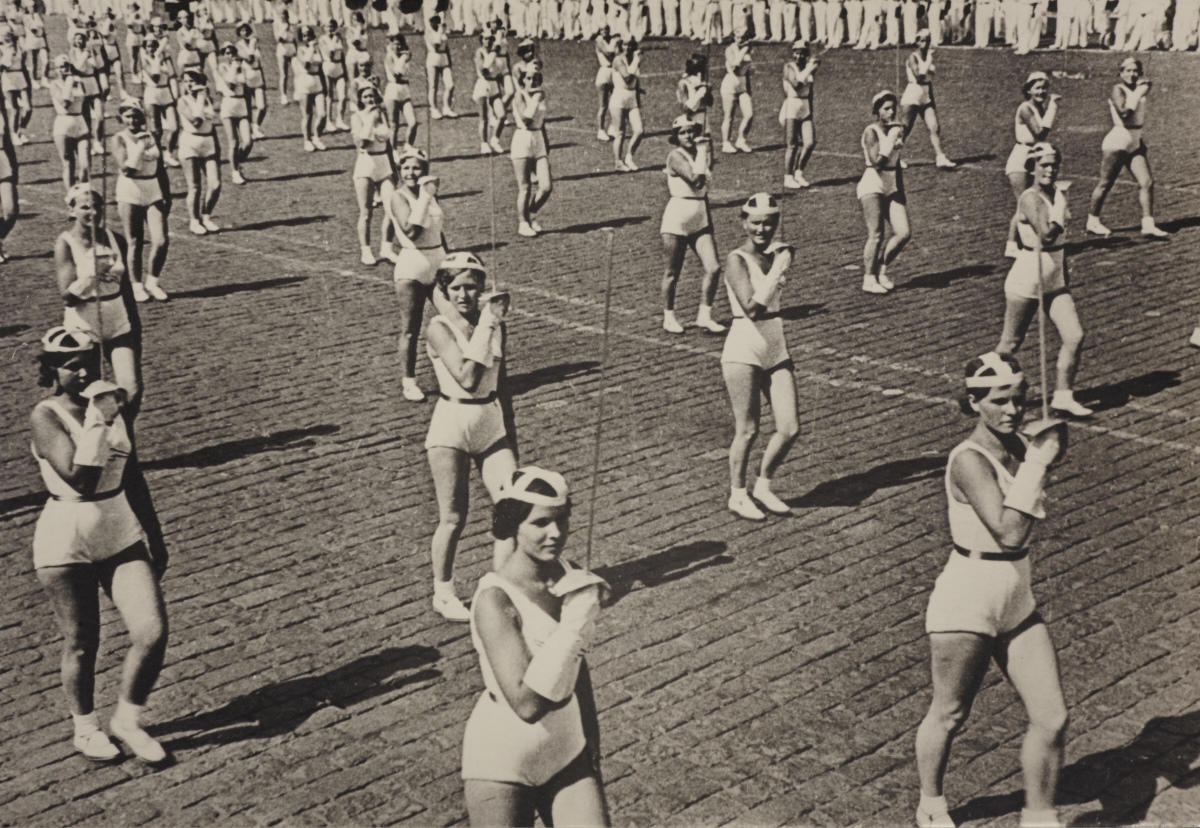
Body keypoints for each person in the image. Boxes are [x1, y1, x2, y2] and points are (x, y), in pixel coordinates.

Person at [915, 351, 1069, 828]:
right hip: (968, 600)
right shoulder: (967, 460)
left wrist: (1041, 454)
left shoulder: (1020, 447)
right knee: (951, 713)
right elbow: (1009, 531)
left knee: (1052, 718)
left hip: (1017, 600)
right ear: (973, 402)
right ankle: (931, 805)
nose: (1013, 410)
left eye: (1020, 400)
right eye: (1000, 401)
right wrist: (1041, 463)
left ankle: (1039, 818)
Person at [29, 326, 169, 765]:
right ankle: (84, 728)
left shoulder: (110, 405)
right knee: (82, 640)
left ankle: (127, 718)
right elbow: (81, 479)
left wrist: (155, 534)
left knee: (152, 631)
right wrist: (100, 416)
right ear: (52, 370)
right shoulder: (46, 415)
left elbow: (133, 474)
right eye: (72, 365)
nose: (85, 369)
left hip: (119, 530)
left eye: (91, 360)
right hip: (66, 538)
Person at [463, 466, 611, 827]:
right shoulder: (495, 600)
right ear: (514, 524)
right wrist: (575, 624)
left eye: (562, 520)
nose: (555, 533)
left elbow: (577, 668)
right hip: (503, 759)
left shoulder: (568, 572)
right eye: (541, 523)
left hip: (567, 751)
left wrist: (590, 739)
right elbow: (527, 704)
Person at [424, 252, 517, 620]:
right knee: (453, 517)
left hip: (490, 423)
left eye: (472, 288)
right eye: (456, 288)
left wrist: (510, 434)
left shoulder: (494, 325)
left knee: (512, 508)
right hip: (452, 423)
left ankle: (502, 587)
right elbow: (467, 378)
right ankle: (442, 592)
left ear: (482, 290)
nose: (464, 295)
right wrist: (488, 325)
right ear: (445, 291)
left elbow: (500, 383)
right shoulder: (438, 328)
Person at [996, 143, 1092, 419]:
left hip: (1054, 276)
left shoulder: (1054, 193)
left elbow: (1058, 245)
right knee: (1010, 344)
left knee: (1075, 336)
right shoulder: (1030, 198)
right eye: (1044, 165)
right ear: (1032, 167)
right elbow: (1047, 235)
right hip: (1027, 278)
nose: (1050, 170)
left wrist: (1064, 276)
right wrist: (1061, 209)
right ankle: (982, 386)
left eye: (1054, 164)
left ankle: (1063, 396)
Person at [721, 193, 800, 521]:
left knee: (789, 427)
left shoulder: (774, 254)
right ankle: (737, 495)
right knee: (748, 429)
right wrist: (779, 267)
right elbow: (752, 308)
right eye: (755, 223)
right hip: (744, 348)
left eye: (769, 223)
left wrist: (778, 262)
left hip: (775, 346)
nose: (762, 229)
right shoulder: (736, 259)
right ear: (744, 222)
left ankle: (763, 485)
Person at [54, 184, 142, 410]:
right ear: (72, 210)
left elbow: (126, 290)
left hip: (118, 321)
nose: (92, 213)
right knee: (91, 393)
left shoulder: (115, 239)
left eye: (97, 207)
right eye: (85, 207)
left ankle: (125, 442)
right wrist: (92, 274)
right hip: (84, 326)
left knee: (131, 391)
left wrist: (134, 324)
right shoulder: (65, 243)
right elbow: (67, 297)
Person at [388, 147, 448, 400]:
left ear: (425, 170)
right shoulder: (398, 196)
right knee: (411, 328)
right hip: (412, 264)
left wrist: (450, 260)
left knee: (455, 318)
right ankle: (409, 381)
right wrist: (425, 197)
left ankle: (454, 370)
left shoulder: (430, 193)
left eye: (416, 168)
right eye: (406, 168)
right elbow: (411, 231)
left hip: (438, 260)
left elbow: (437, 230)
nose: (411, 173)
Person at [1085, 58, 1168, 239]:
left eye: (1135, 71)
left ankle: (1148, 224)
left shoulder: (1136, 89)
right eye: (1128, 71)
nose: (1132, 74)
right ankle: (1092, 220)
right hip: (1118, 141)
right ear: (1121, 73)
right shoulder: (1118, 89)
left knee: (1146, 182)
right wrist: (1139, 91)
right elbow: (1124, 113)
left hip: (1135, 141)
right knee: (1106, 183)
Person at [660, 115, 724, 336]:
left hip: (699, 216)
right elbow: (696, 180)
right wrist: (705, 152)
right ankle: (669, 316)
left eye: (691, 131)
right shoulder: (675, 156)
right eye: (683, 132)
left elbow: (704, 189)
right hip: (677, 218)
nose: (689, 136)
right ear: (676, 137)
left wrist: (706, 150)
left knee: (714, 267)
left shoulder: (700, 153)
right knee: (673, 272)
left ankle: (704, 315)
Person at [112, 97, 170, 303]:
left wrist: (166, 194)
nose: (133, 121)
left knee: (161, 240)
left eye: (136, 116)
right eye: (128, 116)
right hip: (130, 191)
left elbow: (161, 168)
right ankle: (136, 285)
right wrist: (138, 147)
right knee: (135, 241)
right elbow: (126, 169)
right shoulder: (118, 138)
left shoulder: (152, 136)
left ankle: (152, 282)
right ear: (122, 118)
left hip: (153, 188)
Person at [857, 90, 910, 294]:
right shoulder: (871, 131)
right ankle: (868, 278)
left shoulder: (894, 131)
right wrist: (890, 141)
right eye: (886, 108)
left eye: (892, 108)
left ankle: (881, 269)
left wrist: (899, 190)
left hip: (891, 184)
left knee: (904, 232)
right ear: (877, 111)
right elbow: (876, 163)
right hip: (872, 184)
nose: (891, 112)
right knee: (876, 234)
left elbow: (895, 167)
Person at [1004, 71, 1059, 258]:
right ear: (1028, 89)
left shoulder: (1039, 108)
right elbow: (1040, 134)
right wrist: (1052, 107)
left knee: (1032, 200)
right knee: (1023, 203)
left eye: (1044, 88)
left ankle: (1024, 241)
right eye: (1037, 88)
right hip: (1020, 159)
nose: (1041, 92)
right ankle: (1011, 245)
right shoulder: (1026, 108)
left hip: (1033, 158)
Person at [351, 80, 396, 266]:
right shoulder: (357, 116)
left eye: (372, 96)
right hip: (366, 165)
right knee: (366, 212)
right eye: (365, 97)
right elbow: (361, 143)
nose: (370, 99)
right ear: (361, 99)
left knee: (392, 209)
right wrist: (370, 118)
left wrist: (394, 168)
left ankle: (387, 247)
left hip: (384, 163)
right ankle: (366, 250)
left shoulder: (382, 114)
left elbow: (389, 143)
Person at [898, 29, 955, 169]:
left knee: (934, 127)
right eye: (922, 40)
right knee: (905, 128)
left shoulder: (928, 58)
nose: (925, 43)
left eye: (927, 40)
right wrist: (929, 61)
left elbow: (928, 81)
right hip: (912, 95)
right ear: (917, 42)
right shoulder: (913, 57)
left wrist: (931, 100)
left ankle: (940, 157)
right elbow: (919, 76)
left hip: (925, 95)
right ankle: (894, 158)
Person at [177, 69, 222, 234]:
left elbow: (212, 123)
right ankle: (194, 221)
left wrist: (216, 146)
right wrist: (201, 98)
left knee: (215, 184)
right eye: (186, 81)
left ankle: (206, 216)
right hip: (190, 143)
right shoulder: (183, 101)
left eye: (192, 81)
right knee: (195, 186)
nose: (189, 84)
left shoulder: (208, 100)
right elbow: (195, 121)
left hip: (208, 142)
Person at [510, 61, 552, 238]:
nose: (532, 81)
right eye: (528, 78)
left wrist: (546, 143)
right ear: (523, 80)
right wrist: (535, 99)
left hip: (538, 140)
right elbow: (526, 119)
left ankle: (531, 212)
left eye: (536, 78)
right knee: (525, 187)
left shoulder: (540, 95)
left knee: (546, 187)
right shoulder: (519, 96)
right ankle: (523, 222)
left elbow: (542, 122)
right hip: (523, 140)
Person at [50, 55, 91, 189]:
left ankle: (84, 192)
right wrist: (68, 83)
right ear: (56, 69)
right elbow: (65, 103)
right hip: (63, 125)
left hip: (80, 122)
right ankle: (71, 196)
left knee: (85, 164)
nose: (64, 69)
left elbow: (85, 105)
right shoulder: (54, 84)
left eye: (66, 65)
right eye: (61, 67)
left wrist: (88, 125)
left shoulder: (78, 81)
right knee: (68, 163)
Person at [780, 40, 817, 188]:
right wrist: (810, 68)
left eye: (802, 53)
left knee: (810, 142)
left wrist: (811, 110)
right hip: (792, 106)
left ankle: (799, 172)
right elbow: (796, 85)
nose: (799, 56)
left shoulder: (808, 68)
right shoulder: (789, 67)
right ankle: (788, 177)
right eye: (796, 52)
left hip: (805, 105)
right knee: (792, 145)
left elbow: (810, 91)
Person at [139, 36, 179, 168]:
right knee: (156, 130)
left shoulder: (166, 58)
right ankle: (159, 157)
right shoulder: (144, 60)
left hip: (166, 93)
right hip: (152, 94)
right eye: (149, 46)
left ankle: (168, 153)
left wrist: (175, 94)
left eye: (154, 45)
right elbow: (155, 77)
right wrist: (157, 58)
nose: (152, 48)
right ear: (145, 48)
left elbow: (173, 75)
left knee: (174, 128)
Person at [215, 43, 252, 185]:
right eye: (227, 53)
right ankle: (235, 171)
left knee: (248, 142)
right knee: (234, 142)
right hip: (228, 105)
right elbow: (230, 84)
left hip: (241, 104)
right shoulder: (223, 67)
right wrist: (235, 67)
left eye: (232, 52)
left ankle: (237, 162)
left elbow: (246, 88)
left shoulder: (243, 68)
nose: (230, 55)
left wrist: (249, 111)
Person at [608, 36, 642, 171]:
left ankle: (629, 157)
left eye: (630, 45)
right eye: (625, 45)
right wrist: (637, 60)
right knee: (620, 132)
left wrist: (638, 100)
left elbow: (636, 82)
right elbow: (627, 78)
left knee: (639, 130)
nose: (628, 48)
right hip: (619, 98)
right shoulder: (618, 60)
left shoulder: (633, 60)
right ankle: (618, 162)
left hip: (632, 97)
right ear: (622, 46)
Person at [720, 29, 754, 154]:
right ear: (734, 37)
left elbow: (747, 71)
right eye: (739, 37)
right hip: (730, 85)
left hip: (742, 84)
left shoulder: (747, 49)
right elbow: (735, 65)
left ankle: (741, 140)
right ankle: (726, 143)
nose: (742, 40)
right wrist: (744, 50)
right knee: (729, 116)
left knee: (749, 114)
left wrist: (748, 88)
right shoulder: (730, 49)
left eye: (744, 37)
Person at [473, 29, 505, 154]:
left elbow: (498, 71)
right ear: (481, 40)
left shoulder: (495, 54)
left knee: (502, 115)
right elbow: (483, 71)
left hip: (494, 85)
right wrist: (492, 55)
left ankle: (495, 140)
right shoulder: (479, 53)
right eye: (485, 39)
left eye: (490, 39)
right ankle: (484, 144)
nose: (488, 41)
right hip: (483, 85)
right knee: (484, 117)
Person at [383, 33, 417, 149]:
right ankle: (393, 153)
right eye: (394, 44)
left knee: (413, 122)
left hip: (405, 91)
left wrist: (404, 56)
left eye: (399, 44)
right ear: (390, 45)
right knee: (394, 126)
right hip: (392, 91)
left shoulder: (404, 57)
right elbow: (396, 74)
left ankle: (408, 147)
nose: (397, 47)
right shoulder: (389, 57)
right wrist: (403, 57)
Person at [236, 23, 268, 140]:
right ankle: (250, 131)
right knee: (248, 107)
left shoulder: (255, 45)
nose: (245, 33)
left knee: (262, 106)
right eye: (242, 31)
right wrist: (253, 44)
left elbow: (258, 62)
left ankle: (256, 127)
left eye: (246, 31)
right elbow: (250, 59)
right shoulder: (238, 46)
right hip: (247, 76)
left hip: (258, 75)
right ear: (239, 33)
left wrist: (263, 79)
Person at [0, 29, 32, 145]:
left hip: (20, 77)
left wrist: (28, 81)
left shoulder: (20, 49)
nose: (6, 39)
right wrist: (7, 56)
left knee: (28, 108)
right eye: (4, 37)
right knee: (15, 109)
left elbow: (23, 65)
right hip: (8, 78)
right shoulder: (2, 50)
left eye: (8, 36)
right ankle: (14, 135)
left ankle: (21, 131)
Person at [320, 18, 349, 132]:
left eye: (332, 27)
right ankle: (328, 121)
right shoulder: (322, 39)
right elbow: (330, 54)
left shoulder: (339, 38)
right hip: (328, 67)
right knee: (329, 97)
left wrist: (345, 70)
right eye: (327, 27)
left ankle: (340, 120)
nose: (330, 29)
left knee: (342, 96)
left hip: (339, 68)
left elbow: (342, 54)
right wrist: (334, 42)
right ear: (324, 28)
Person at [425, 13, 456, 119]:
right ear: (430, 22)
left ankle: (446, 108)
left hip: (444, 59)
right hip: (433, 59)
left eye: (437, 20)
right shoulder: (429, 33)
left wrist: (449, 62)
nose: (436, 23)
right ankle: (433, 109)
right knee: (433, 86)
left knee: (450, 85)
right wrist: (440, 31)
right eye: (433, 21)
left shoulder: (442, 32)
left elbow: (446, 48)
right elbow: (436, 46)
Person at [675, 52, 710, 128]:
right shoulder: (683, 83)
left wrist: (707, 92)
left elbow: (710, 103)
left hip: (703, 119)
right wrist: (700, 93)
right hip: (690, 123)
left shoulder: (702, 83)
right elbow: (686, 108)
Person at [593, 25, 616, 141]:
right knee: (603, 105)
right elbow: (609, 54)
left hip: (614, 72)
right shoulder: (599, 41)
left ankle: (613, 126)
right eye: (602, 30)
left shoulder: (613, 40)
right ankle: (600, 130)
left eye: (606, 29)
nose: (605, 32)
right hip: (604, 73)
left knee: (614, 103)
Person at [274, 6, 296, 105]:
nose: (283, 16)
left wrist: (296, 50)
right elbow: (278, 39)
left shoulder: (292, 25)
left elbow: (295, 38)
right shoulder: (276, 25)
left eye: (284, 14)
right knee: (284, 74)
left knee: (297, 72)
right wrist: (284, 30)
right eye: (281, 14)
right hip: (282, 48)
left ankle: (297, 94)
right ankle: (284, 96)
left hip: (291, 48)